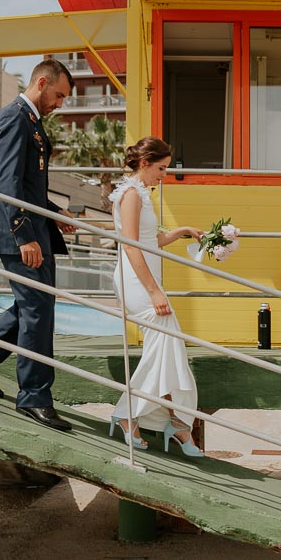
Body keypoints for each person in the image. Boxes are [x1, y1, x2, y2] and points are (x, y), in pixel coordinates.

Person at [0, 59, 77, 430]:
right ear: (41, 82)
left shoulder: (31, 120)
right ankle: (33, 397)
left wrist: (53, 213)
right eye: (59, 95)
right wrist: (24, 235)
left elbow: (27, 184)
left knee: (32, 306)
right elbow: (6, 183)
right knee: (37, 310)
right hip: (16, 231)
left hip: (33, 227)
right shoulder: (14, 117)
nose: (60, 104)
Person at [108, 137, 205, 457]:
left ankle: (172, 420)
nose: (164, 174)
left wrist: (183, 231)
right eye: (161, 168)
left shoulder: (142, 194)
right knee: (167, 339)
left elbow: (152, 239)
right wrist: (153, 291)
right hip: (137, 281)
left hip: (147, 277)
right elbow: (131, 246)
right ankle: (141, 415)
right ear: (145, 163)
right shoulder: (131, 195)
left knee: (167, 345)